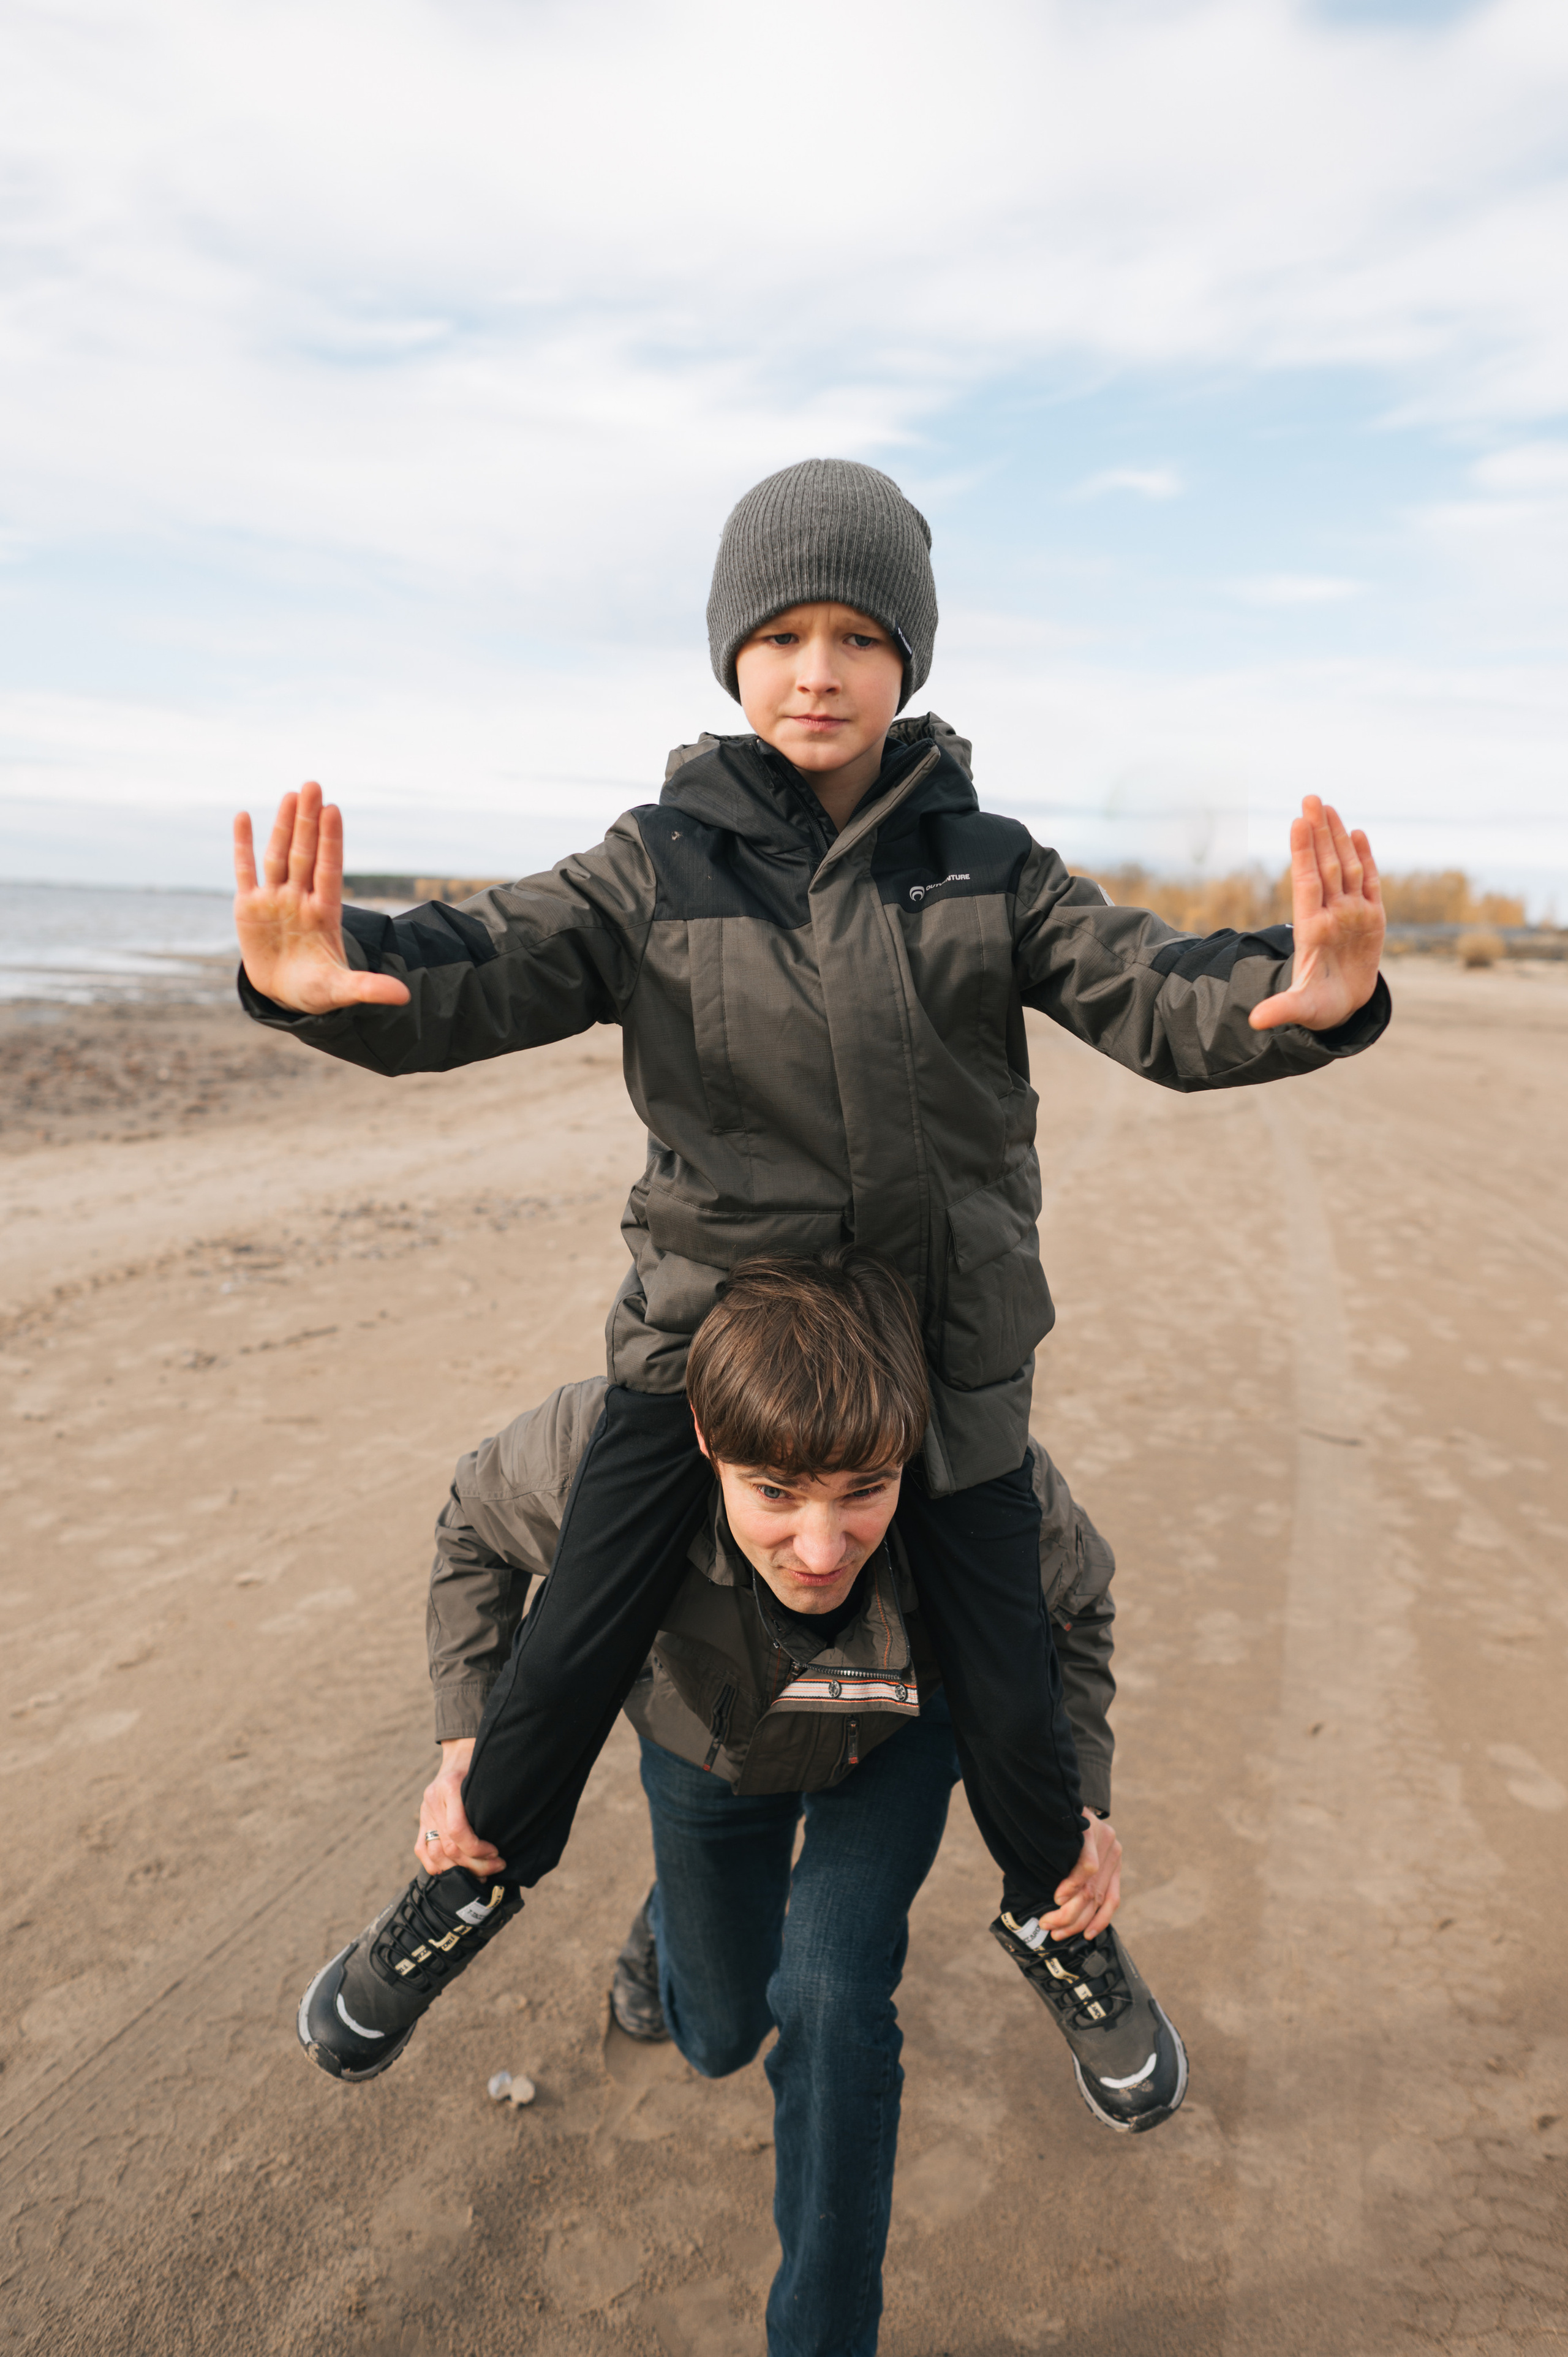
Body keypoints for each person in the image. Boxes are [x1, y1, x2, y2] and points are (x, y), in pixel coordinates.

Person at [239, 458, 1389, 2034]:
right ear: (733, 658)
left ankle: (1062, 1925)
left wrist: (1291, 998)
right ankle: (467, 1881)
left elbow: (1152, 985)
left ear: (908, 659)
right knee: (574, 1635)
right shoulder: (657, 861)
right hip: (708, 1335)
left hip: (949, 1357)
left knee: (1001, 1676)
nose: (818, 670)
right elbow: (485, 956)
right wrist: (338, 971)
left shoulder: (989, 867)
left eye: (856, 635)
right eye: (782, 636)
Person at [300, 1252, 1171, 2357]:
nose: (820, 1548)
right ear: (709, 1442)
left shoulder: (982, 1483)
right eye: (774, 1494)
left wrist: (1082, 1799)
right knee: (715, 2033)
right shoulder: (593, 1457)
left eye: (864, 1490)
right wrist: (466, 1735)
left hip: (894, 1748)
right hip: (702, 1747)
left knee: (829, 1992)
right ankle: (670, 1919)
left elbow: (1078, 1603)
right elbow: (473, 1526)